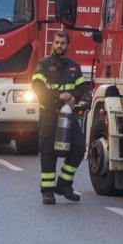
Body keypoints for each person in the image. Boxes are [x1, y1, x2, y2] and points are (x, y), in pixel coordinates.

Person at [30, 31, 87, 205]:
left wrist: (74, 99)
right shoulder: (42, 65)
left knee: (78, 147)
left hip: (68, 114)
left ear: (67, 45)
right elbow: (38, 89)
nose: (59, 45)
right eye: (56, 42)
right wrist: (58, 96)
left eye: (62, 43)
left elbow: (81, 87)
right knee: (48, 151)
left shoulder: (74, 67)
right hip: (49, 113)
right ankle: (47, 191)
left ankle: (64, 184)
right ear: (52, 44)